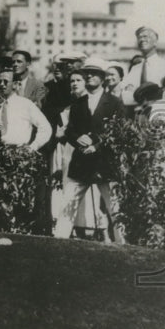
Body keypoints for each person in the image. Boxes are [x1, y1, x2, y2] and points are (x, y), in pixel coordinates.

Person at [54, 57, 126, 243]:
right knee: (68, 204)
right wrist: (78, 139)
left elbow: (119, 132)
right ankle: (58, 242)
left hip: (105, 163)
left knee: (114, 208)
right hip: (82, 161)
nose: (90, 76)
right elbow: (70, 130)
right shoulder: (78, 103)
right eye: (88, 73)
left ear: (103, 78)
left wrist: (96, 145)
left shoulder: (115, 102)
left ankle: (124, 246)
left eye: (95, 73)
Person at [0, 69, 52, 151]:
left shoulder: (26, 104)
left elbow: (46, 128)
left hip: (18, 153)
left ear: (15, 84)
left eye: (5, 81)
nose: (1, 84)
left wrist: (33, 147)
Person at [120, 26, 165, 106]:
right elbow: (125, 97)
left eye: (145, 36)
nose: (142, 40)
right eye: (139, 37)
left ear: (155, 42)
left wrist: (134, 92)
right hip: (137, 114)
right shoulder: (135, 69)